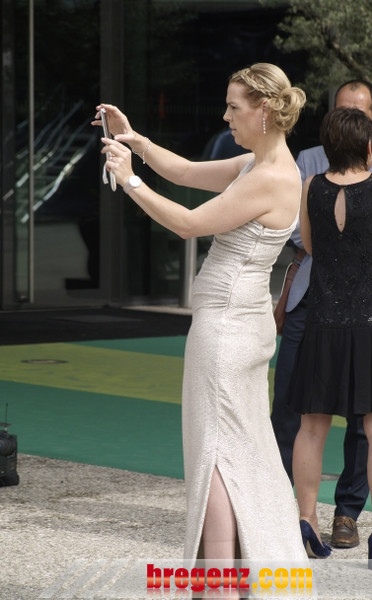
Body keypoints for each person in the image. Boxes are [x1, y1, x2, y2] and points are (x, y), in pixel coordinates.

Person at [92, 64, 309, 568]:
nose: (226, 116)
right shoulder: (260, 164)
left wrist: (130, 180)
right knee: (235, 452)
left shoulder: (268, 176)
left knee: (216, 456)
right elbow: (187, 173)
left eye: (234, 107)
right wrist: (136, 141)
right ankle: (236, 574)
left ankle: (219, 582)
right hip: (237, 325)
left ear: (264, 110)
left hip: (227, 331)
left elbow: (189, 224)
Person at [271, 79, 372, 549]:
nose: (347, 119)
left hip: (343, 312)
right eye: (341, 111)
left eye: (356, 112)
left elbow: (310, 241)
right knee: (302, 412)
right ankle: (319, 516)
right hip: (340, 309)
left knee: (339, 424)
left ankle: (336, 515)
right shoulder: (316, 165)